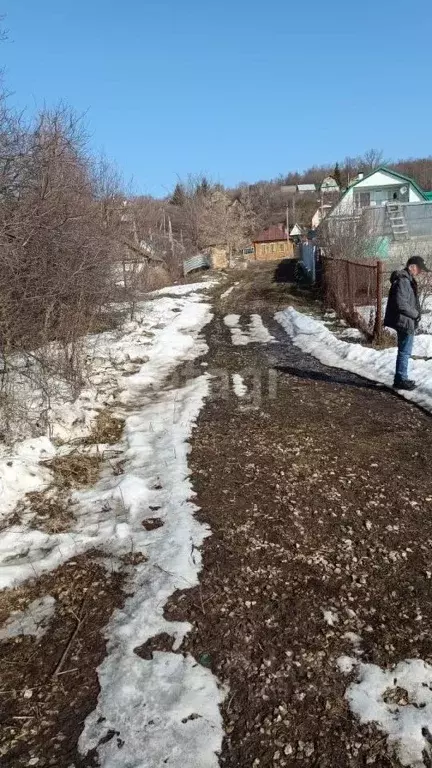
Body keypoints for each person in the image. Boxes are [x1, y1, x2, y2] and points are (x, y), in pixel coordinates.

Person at [384, 255, 430, 391]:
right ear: (412, 267)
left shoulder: (406, 279)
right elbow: (401, 304)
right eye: (419, 269)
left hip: (405, 321)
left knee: (404, 351)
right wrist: (416, 314)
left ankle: (401, 378)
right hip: (405, 321)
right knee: (405, 352)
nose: (420, 272)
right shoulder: (404, 281)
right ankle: (401, 379)